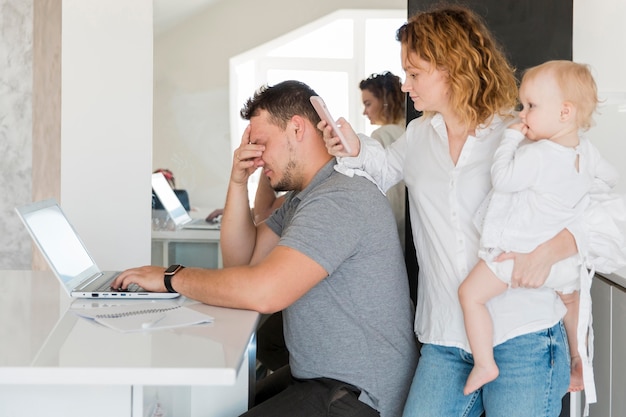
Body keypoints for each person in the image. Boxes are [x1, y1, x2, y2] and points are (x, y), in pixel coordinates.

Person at [319, 5, 613, 416]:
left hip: (523, 337)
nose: (405, 86)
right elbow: (383, 167)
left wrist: (549, 252)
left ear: (452, 68)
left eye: (415, 73)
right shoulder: (419, 135)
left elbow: (605, 201)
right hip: (445, 339)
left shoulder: (521, 132)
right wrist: (353, 147)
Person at [113, 80, 418, 417]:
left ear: (297, 128)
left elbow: (264, 292)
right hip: (325, 380)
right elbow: (241, 260)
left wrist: (171, 277)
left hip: (357, 397)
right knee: (222, 402)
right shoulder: (305, 197)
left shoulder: (340, 196)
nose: (256, 157)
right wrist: (237, 180)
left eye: (261, 144)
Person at [458, 61, 623, 401]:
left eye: (530, 106)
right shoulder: (587, 153)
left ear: (565, 112)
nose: (522, 114)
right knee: (572, 303)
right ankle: (579, 360)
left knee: (469, 295)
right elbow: (613, 184)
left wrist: (509, 140)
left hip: (518, 255)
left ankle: (484, 363)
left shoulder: (537, 155)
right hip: (563, 263)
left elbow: (502, 179)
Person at [359, 71, 407, 252]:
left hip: (395, 233)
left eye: (368, 103)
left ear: (385, 101)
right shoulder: (412, 129)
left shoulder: (382, 135)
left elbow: (388, 198)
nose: (365, 111)